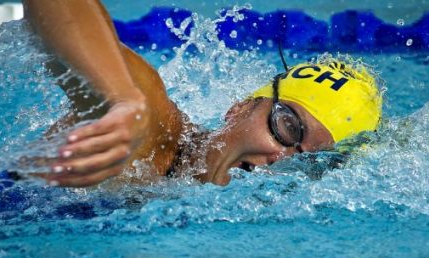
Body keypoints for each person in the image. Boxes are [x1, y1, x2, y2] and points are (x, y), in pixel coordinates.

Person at [22, 0, 382, 187]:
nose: (283, 159)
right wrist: (120, 98)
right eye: (289, 128)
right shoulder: (152, 130)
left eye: (311, 162)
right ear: (240, 108)